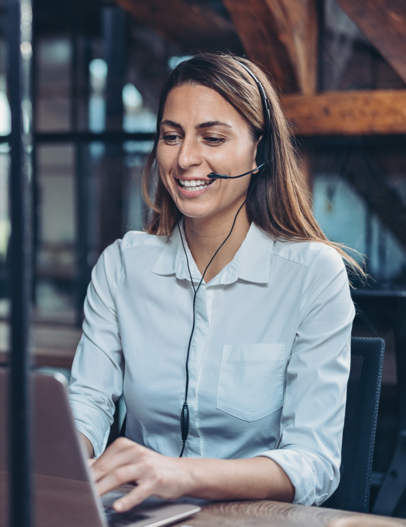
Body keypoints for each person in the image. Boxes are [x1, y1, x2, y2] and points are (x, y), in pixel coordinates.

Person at [68, 54, 361, 512]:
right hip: (136, 514)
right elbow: (88, 399)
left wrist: (178, 474)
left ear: (258, 151)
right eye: (171, 136)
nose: (185, 158)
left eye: (213, 138)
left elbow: (314, 463)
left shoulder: (313, 276)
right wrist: (64, 451)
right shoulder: (122, 265)